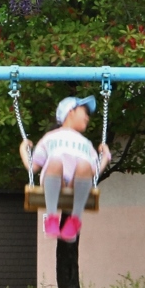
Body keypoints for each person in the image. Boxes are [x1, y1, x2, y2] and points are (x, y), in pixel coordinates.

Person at [23, 95, 111, 241]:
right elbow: (33, 168)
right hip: (53, 178)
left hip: (75, 183)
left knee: (84, 164)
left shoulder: (86, 143)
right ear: (71, 112)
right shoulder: (50, 138)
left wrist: (105, 156)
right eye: (84, 112)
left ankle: (75, 220)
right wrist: (23, 149)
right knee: (56, 160)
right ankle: (51, 219)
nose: (88, 118)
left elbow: (93, 173)